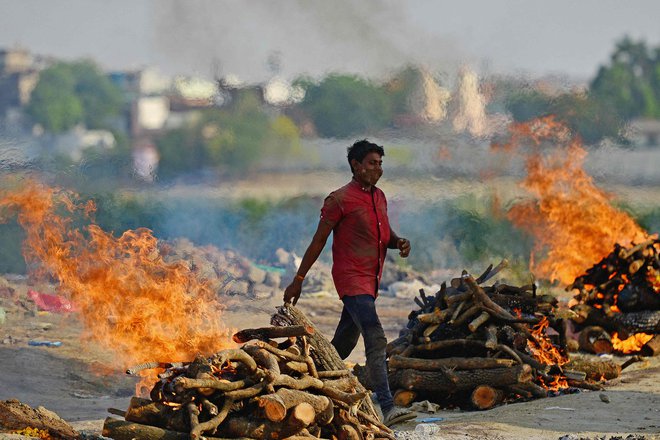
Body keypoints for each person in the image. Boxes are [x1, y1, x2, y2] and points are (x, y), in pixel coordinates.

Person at [283, 139, 416, 427]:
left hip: (371, 282)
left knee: (341, 347)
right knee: (376, 336)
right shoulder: (339, 199)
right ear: (355, 166)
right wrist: (298, 279)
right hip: (351, 279)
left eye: (380, 164)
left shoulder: (379, 197)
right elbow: (318, 240)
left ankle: (299, 384)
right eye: (371, 163)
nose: (377, 169)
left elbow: (385, 235)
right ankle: (388, 407)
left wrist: (399, 242)